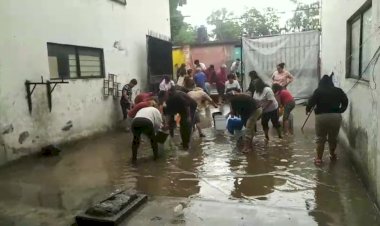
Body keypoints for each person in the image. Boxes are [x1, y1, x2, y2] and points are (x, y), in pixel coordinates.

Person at [306, 74, 348, 166]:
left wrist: (307, 110)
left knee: (320, 138)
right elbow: (345, 101)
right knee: (333, 138)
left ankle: (319, 159)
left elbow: (310, 102)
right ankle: (332, 155)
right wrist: (341, 110)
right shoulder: (338, 90)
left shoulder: (318, 91)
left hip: (321, 117)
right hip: (335, 117)